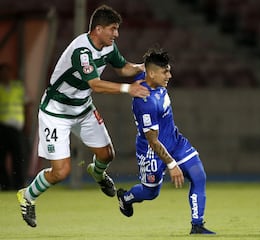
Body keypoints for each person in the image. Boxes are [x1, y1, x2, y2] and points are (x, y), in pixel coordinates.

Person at [16, 5, 150, 228]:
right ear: (98, 29)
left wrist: (142, 67)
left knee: (107, 155)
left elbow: (123, 68)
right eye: (113, 29)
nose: (116, 34)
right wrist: (128, 89)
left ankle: (97, 173)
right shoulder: (82, 51)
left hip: (83, 108)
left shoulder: (108, 47)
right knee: (61, 172)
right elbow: (95, 84)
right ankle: (27, 196)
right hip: (56, 112)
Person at [116, 47, 215, 235]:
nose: (169, 75)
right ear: (152, 73)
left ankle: (197, 225)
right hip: (152, 151)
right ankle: (126, 198)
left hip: (176, 143)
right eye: (165, 71)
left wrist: (139, 66)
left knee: (199, 176)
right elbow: (152, 141)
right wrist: (171, 164)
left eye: (169, 70)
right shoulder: (144, 101)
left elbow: (126, 69)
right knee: (150, 193)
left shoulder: (152, 79)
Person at [0, 63, 31, 190]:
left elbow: (27, 106)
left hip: (17, 128)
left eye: (7, 72)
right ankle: (5, 184)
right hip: (2, 127)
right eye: (2, 72)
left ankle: (18, 184)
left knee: (19, 158)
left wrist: (27, 125)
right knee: (1, 158)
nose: (5, 75)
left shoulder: (18, 87)